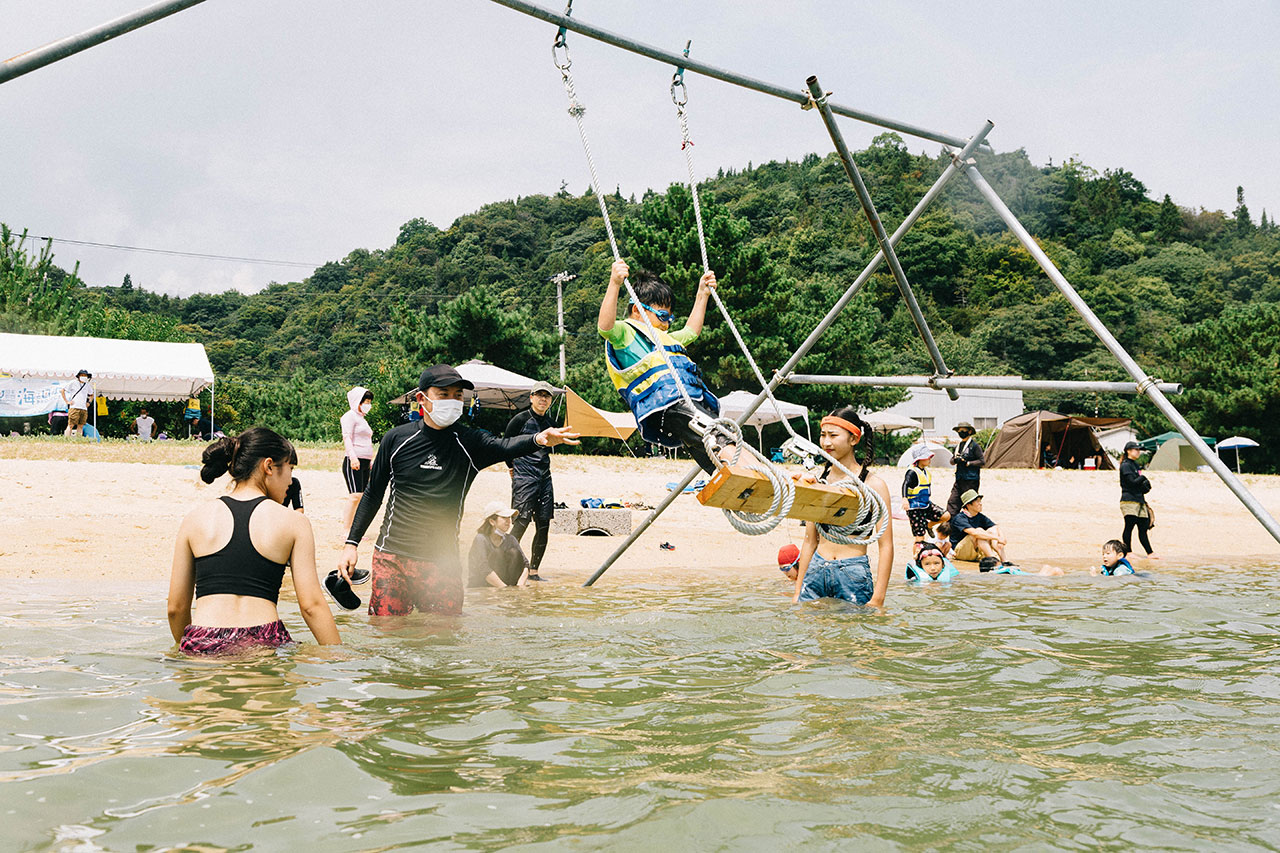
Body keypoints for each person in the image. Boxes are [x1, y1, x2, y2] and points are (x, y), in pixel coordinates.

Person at [338, 364, 579, 616]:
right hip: (393, 558)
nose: (452, 401)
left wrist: (537, 439)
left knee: (445, 632)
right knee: (387, 630)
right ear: (422, 398)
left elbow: (505, 445)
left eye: (458, 395)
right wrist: (351, 544)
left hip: (443, 562)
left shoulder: (469, 443)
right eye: (444, 394)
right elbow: (372, 495)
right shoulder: (396, 439)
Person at [167, 427, 341, 655]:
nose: (291, 481)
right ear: (269, 466)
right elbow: (311, 606)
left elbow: (176, 608)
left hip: (203, 640)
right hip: (263, 640)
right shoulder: (294, 522)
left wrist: (191, 647)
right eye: (290, 468)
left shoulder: (194, 519)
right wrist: (340, 657)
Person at [597, 260, 725, 475]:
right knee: (717, 436)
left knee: (707, 443)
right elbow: (605, 326)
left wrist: (702, 294)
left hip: (680, 404)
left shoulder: (665, 339)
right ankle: (741, 469)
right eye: (662, 316)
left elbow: (691, 331)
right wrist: (614, 283)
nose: (666, 324)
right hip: (665, 404)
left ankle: (727, 475)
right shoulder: (625, 333)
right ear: (637, 310)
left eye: (670, 318)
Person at [792, 407, 894, 606]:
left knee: (854, 626)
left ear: (854, 439)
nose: (826, 442)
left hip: (852, 570)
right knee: (810, 624)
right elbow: (810, 541)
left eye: (833, 435)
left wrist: (878, 598)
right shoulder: (819, 482)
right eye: (823, 435)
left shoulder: (874, 485)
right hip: (817, 568)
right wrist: (797, 591)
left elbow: (886, 545)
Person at [504, 381, 559, 581]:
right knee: (521, 521)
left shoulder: (551, 423)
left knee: (543, 524)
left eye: (547, 396)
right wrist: (511, 467)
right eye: (539, 395)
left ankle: (534, 572)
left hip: (544, 476)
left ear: (550, 400)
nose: (543, 399)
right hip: (524, 475)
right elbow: (506, 444)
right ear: (531, 398)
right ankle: (505, 569)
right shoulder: (520, 419)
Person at [468, 502, 530, 588]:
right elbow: (483, 568)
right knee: (498, 553)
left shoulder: (510, 539)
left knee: (514, 553)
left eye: (509, 517)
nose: (508, 521)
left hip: (504, 584)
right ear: (492, 521)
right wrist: (504, 588)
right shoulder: (481, 539)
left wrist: (519, 586)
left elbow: (526, 564)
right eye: (504, 517)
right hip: (482, 586)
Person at [949, 489, 1014, 570]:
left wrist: (1001, 539)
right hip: (960, 553)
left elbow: (995, 527)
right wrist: (997, 538)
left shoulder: (979, 516)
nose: (980, 504)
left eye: (980, 501)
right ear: (968, 505)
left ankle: (1004, 561)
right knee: (979, 531)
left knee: (992, 530)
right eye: (977, 502)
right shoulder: (960, 518)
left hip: (976, 552)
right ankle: (992, 560)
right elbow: (975, 533)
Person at [340, 386, 375, 536]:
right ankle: (346, 529)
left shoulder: (362, 419)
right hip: (354, 460)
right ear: (357, 401)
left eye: (369, 402)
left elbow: (366, 441)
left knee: (362, 498)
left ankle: (356, 529)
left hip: (365, 461)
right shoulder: (349, 416)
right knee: (355, 496)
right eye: (366, 402)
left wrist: (370, 460)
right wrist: (353, 458)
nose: (368, 405)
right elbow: (347, 437)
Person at [901, 445, 949, 551]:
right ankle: (916, 557)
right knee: (920, 538)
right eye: (927, 457)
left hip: (926, 505)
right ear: (920, 459)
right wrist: (904, 499)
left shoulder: (926, 472)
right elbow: (905, 484)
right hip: (915, 508)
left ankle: (928, 525)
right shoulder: (912, 472)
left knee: (946, 515)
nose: (930, 459)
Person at [1119, 440, 1157, 559]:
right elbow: (1131, 482)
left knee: (1143, 528)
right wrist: (1143, 478)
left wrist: (1145, 486)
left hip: (1139, 500)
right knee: (1129, 526)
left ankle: (1150, 553)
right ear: (1128, 451)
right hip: (1129, 500)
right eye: (1136, 449)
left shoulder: (1135, 465)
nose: (1138, 452)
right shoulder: (1126, 465)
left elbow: (1138, 483)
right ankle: (1128, 552)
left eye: (1138, 450)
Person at [947, 421, 984, 517]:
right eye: (959, 431)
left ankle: (971, 523)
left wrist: (968, 463)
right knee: (953, 502)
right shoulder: (958, 446)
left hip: (971, 480)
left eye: (963, 431)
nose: (961, 433)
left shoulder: (974, 446)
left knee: (970, 503)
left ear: (969, 431)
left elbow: (982, 461)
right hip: (959, 479)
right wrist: (955, 460)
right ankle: (951, 523)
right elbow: (951, 460)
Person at [61, 369, 94, 437]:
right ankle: (67, 439)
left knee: (81, 425)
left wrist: (89, 402)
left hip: (83, 408)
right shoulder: (73, 383)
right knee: (71, 425)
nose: (83, 377)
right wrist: (67, 401)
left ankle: (78, 439)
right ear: (78, 376)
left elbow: (91, 394)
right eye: (82, 375)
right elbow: (63, 390)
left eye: (85, 375)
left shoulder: (87, 385)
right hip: (74, 407)